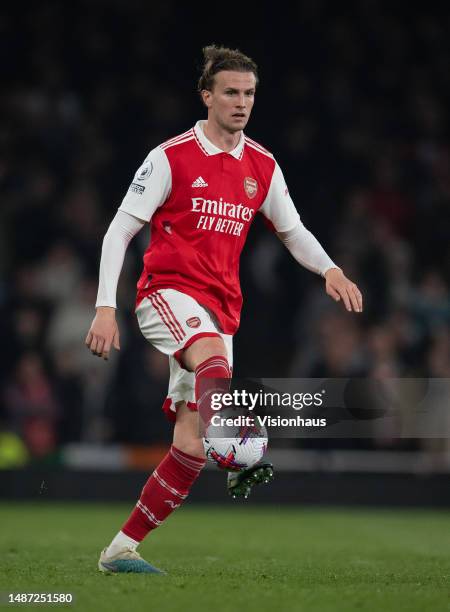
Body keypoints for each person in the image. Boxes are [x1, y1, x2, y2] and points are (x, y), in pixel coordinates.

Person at [86, 45, 363, 574]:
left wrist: (329, 269)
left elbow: (293, 230)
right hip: (165, 294)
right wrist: (105, 307)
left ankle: (121, 548)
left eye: (249, 93)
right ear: (207, 96)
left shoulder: (262, 164)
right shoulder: (170, 156)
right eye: (231, 92)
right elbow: (120, 229)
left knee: (188, 444)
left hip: (219, 310)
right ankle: (236, 449)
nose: (241, 102)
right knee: (212, 365)